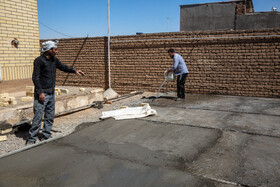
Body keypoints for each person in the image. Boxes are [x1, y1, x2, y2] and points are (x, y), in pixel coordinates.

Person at [26, 40, 85, 145]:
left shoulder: (54, 60)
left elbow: (63, 67)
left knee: (49, 116)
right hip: (42, 94)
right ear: (49, 50)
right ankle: (31, 139)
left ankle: (46, 135)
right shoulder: (39, 61)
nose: (57, 51)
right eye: (55, 49)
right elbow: (35, 77)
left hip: (51, 93)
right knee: (38, 116)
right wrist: (40, 92)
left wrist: (75, 71)